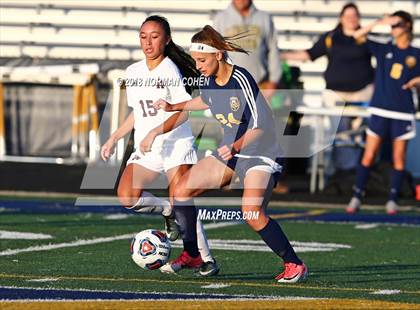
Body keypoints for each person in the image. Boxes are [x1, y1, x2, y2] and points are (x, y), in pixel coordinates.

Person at [152, 25, 307, 283]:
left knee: (251, 212)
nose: (198, 66)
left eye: (202, 60)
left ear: (218, 56)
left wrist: (234, 146)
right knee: (180, 191)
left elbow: (260, 127)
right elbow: (205, 100)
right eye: (195, 61)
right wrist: (173, 106)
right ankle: (193, 254)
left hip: (261, 153)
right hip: (232, 152)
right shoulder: (208, 80)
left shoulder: (241, 79)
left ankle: (294, 264)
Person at [100, 15, 219, 276]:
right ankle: (166, 210)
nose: (148, 42)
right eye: (143, 36)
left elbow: (185, 112)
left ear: (166, 40)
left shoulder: (170, 70)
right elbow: (137, 113)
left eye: (154, 36)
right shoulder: (133, 72)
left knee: (182, 198)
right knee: (127, 197)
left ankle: (205, 258)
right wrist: (114, 137)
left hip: (175, 143)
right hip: (149, 146)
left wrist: (155, 131)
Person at [282, 3, 375, 175]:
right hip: (335, 94)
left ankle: (357, 172)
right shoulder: (331, 38)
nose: (351, 19)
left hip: (363, 94)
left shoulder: (366, 39)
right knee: (340, 133)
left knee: (358, 134)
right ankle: (344, 172)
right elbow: (309, 54)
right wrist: (280, 55)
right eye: (347, 16)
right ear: (341, 18)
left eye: (354, 16)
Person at [346, 11, 420, 215]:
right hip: (379, 109)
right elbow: (357, 36)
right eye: (392, 25)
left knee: (399, 157)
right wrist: (379, 22)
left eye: (398, 24)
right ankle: (357, 195)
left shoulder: (416, 54)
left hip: (403, 112)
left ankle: (393, 199)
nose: (393, 28)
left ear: (408, 26)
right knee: (369, 154)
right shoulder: (384, 48)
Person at [214, 0, 287, 193]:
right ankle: (232, 173)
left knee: (264, 129)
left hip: (260, 85)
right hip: (232, 86)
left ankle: (269, 176)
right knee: (233, 130)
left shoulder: (264, 18)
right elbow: (216, 53)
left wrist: (274, 80)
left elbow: (273, 50)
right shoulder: (221, 19)